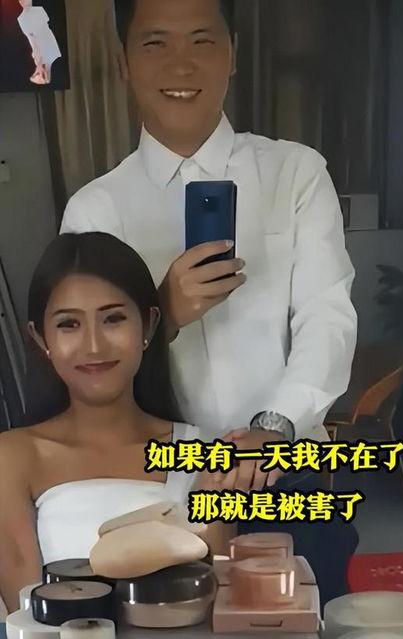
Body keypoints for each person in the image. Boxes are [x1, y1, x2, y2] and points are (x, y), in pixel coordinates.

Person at [60, 0, 358, 495]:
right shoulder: (95, 210)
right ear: (123, 62)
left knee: (306, 550)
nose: (181, 65)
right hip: (154, 477)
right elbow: (86, 364)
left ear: (232, 54)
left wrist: (275, 426)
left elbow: (326, 317)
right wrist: (163, 315)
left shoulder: (295, 174)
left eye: (201, 41)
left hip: (284, 467)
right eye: (155, 43)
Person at [0, 232, 238, 614]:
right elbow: (25, 617)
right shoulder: (13, 456)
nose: (94, 346)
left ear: (149, 325)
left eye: (113, 319)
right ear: (40, 338)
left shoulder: (204, 452)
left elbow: (217, 607)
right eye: (68, 324)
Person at [16, 0, 62, 85]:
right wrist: (35, 48)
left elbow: (44, 24)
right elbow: (30, 35)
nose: (22, 1)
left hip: (46, 39)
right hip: (37, 41)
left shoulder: (39, 10)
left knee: (47, 62)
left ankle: (43, 75)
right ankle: (41, 75)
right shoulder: (21, 18)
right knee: (43, 61)